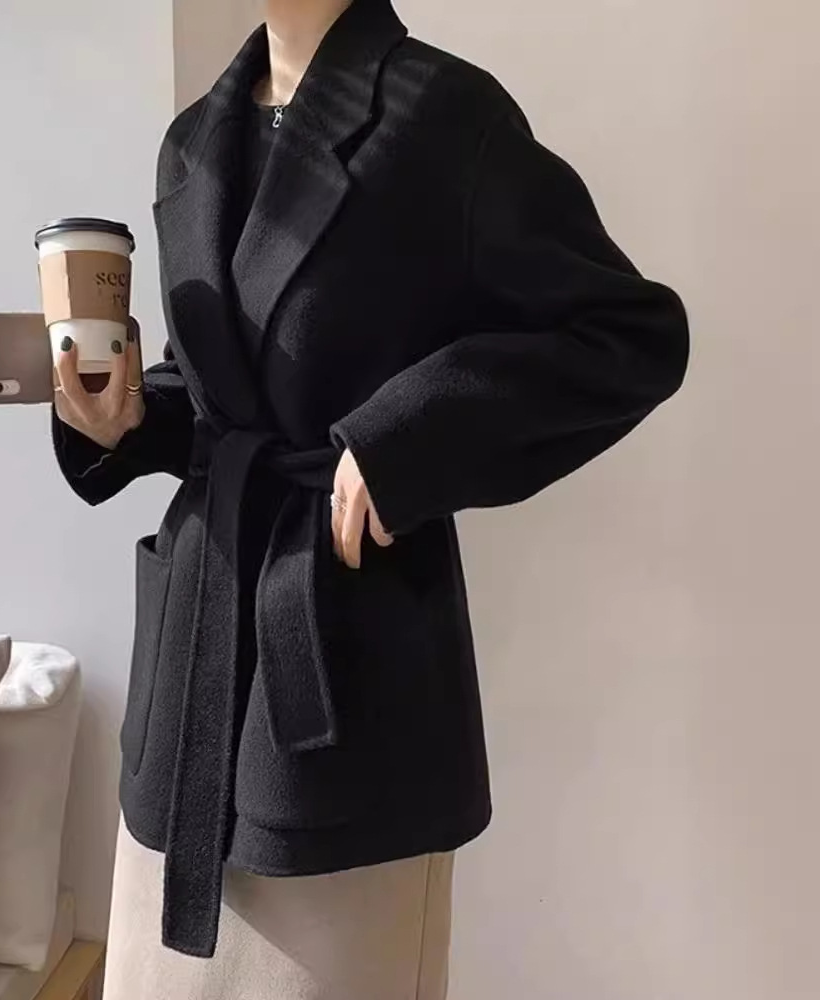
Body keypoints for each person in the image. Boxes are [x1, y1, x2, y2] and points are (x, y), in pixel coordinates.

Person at [51, 0, 689, 996]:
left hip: (345, 675)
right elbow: (220, 396)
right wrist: (127, 419)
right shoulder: (193, 139)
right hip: (189, 678)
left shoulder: (443, 114)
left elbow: (626, 334)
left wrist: (403, 441)